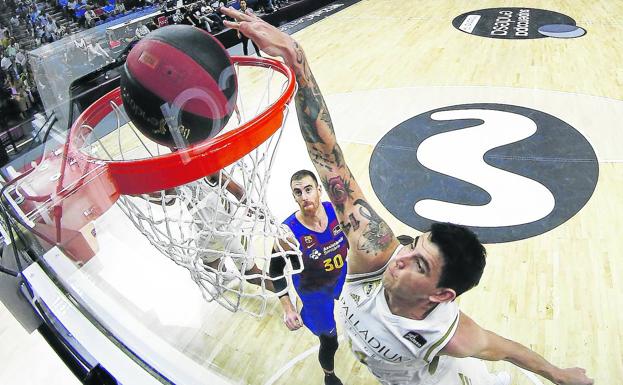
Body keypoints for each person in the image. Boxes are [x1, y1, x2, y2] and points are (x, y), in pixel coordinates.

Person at [220, 7, 595, 385]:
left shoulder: (448, 334)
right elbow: (330, 162)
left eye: (420, 265)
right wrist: (298, 60)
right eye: (415, 245)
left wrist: (559, 375)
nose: (401, 257)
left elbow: (508, 350)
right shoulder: (375, 253)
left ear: (441, 296)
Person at [270, 170, 348, 385]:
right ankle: (329, 375)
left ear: (319, 190)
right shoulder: (288, 234)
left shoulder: (338, 212)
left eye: (308, 189)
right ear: (294, 197)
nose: (304, 196)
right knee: (330, 342)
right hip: (314, 292)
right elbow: (275, 271)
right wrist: (288, 308)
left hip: (343, 277)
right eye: (297, 192)